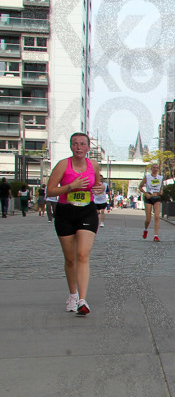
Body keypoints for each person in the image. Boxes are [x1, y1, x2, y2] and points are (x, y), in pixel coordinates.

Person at [46, 132, 105, 315]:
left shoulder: (93, 164)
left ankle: (82, 300)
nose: (79, 147)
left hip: (87, 212)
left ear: (88, 147)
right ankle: (73, 295)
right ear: (71, 146)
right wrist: (71, 186)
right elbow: (50, 191)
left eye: (82, 144)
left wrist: (100, 188)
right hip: (65, 212)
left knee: (82, 254)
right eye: (75, 144)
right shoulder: (63, 165)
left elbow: (97, 185)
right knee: (70, 259)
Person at [140, 161, 163, 240]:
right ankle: (145, 229)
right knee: (148, 218)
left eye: (157, 168)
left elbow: (161, 187)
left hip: (157, 198)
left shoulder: (160, 177)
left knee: (157, 217)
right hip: (149, 197)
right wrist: (145, 193)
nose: (155, 169)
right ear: (151, 169)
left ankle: (155, 235)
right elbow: (140, 186)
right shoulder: (147, 177)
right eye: (154, 168)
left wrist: (161, 191)